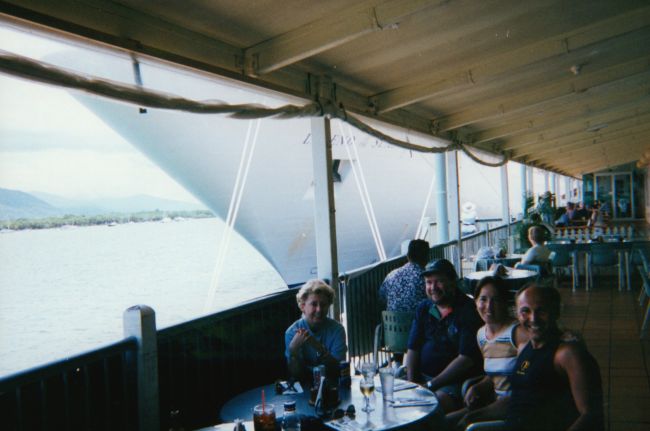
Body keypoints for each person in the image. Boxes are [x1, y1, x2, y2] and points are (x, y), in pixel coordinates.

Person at [506, 284, 603, 431]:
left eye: (541, 311)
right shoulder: (524, 348)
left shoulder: (567, 354)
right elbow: (517, 400)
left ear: (556, 312)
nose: (533, 319)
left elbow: (590, 415)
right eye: (525, 311)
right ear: (517, 315)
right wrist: (472, 415)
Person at [448, 276, 528, 429]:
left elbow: (528, 373)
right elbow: (495, 375)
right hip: (494, 403)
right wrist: (478, 387)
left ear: (505, 303)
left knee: (463, 424)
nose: (489, 307)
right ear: (475, 302)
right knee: (440, 422)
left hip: (514, 407)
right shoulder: (481, 336)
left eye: (496, 300)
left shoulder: (517, 332)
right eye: (483, 299)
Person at [406, 259, 483, 413]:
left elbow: (465, 359)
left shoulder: (468, 310)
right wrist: (412, 383)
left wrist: (430, 385)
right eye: (428, 282)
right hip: (421, 380)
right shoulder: (424, 308)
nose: (433, 287)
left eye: (439, 281)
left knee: (429, 410)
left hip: (453, 383)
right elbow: (413, 348)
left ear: (453, 282)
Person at [285, 279, 347, 385]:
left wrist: (318, 348)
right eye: (314, 304)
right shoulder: (292, 333)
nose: (319, 309)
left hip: (332, 386)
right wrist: (293, 352)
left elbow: (338, 370)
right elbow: (297, 376)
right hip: (305, 387)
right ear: (303, 306)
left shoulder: (337, 330)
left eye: (323, 305)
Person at [378, 239, 429, 312]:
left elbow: (382, 298)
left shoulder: (391, 274)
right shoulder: (426, 278)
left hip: (391, 322)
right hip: (416, 321)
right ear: (426, 258)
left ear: (408, 256)